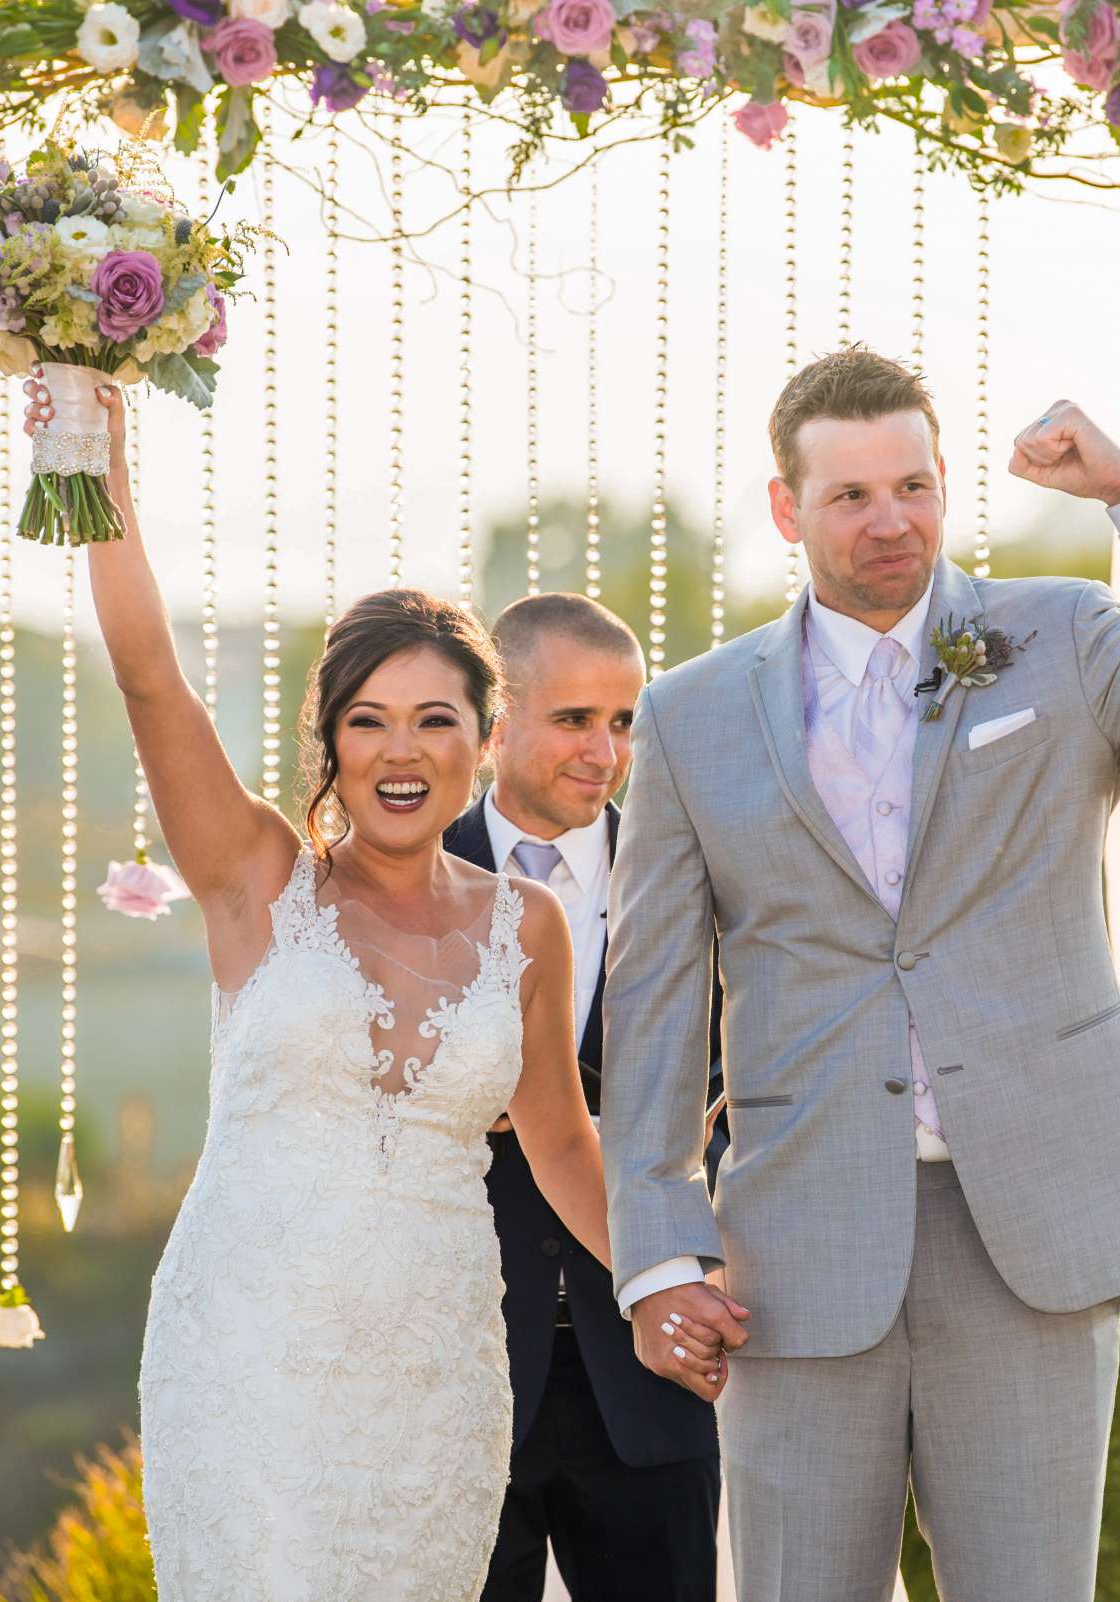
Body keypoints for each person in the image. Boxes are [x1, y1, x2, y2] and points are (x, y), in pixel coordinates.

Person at [601, 347, 1120, 1600]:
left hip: (1031, 1221)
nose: (892, 522)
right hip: (798, 1244)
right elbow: (655, 995)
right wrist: (660, 1251)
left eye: (914, 486)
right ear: (786, 509)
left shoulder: (1065, 634)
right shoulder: (692, 714)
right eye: (851, 497)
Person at [36, 382, 651, 1602]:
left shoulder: (526, 928)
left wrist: (680, 1280)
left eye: (435, 720)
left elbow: (566, 1144)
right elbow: (154, 681)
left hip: (438, 1369)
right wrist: (93, 467)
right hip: (248, 1349)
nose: (400, 750)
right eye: (367, 722)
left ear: (484, 738)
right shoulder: (257, 884)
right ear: (331, 740)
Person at [441, 593, 725, 1602]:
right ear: (498, 719)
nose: (604, 752)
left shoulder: (692, 875)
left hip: (651, 1379)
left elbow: (742, 1090)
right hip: (451, 1377)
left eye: (623, 723)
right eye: (575, 720)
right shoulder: (405, 879)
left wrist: (705, 1253)